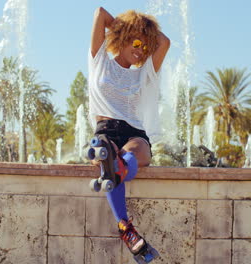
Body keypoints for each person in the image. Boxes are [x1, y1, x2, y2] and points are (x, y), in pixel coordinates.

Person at [88, 7, 170, 255]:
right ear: (122, 39)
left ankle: (114, 169)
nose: (140, 50)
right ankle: (126, 227)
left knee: (134, 154)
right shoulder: (99, 59)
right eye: (136, 42)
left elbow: (164, 42)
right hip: (105, 132)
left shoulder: (145, 73)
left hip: (133, 133)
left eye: (145, 47)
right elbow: (100, 13)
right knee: (107, 154)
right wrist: (125, 29)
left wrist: (144, 37)